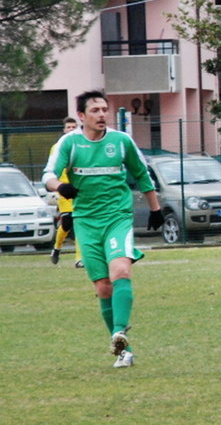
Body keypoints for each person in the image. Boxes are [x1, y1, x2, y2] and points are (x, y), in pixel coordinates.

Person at [42, 90, 164, 368]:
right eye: (95, 110)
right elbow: (48, 175)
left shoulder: (121, 142)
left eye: (104, 109)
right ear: (82, 116)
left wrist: (155, 209)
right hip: (86, 220)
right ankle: (124, 350)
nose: (101, 115)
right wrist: (60, 186)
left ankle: (119, 331)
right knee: (103, 287)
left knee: (120, 270)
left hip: (117, 217)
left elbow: (141, 174)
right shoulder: (70, 144)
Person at [49, 117, 83, 268]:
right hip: (63, 191)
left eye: (73, 127)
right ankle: (57, 248)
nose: (71, 130)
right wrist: (60, 186)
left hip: (78, 190)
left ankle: (79, 259)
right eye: (68, 127)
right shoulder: (57, 147)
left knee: (79, 224)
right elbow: (53, 171)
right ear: (64, 130)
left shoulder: (82, 146)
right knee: (67, 223)